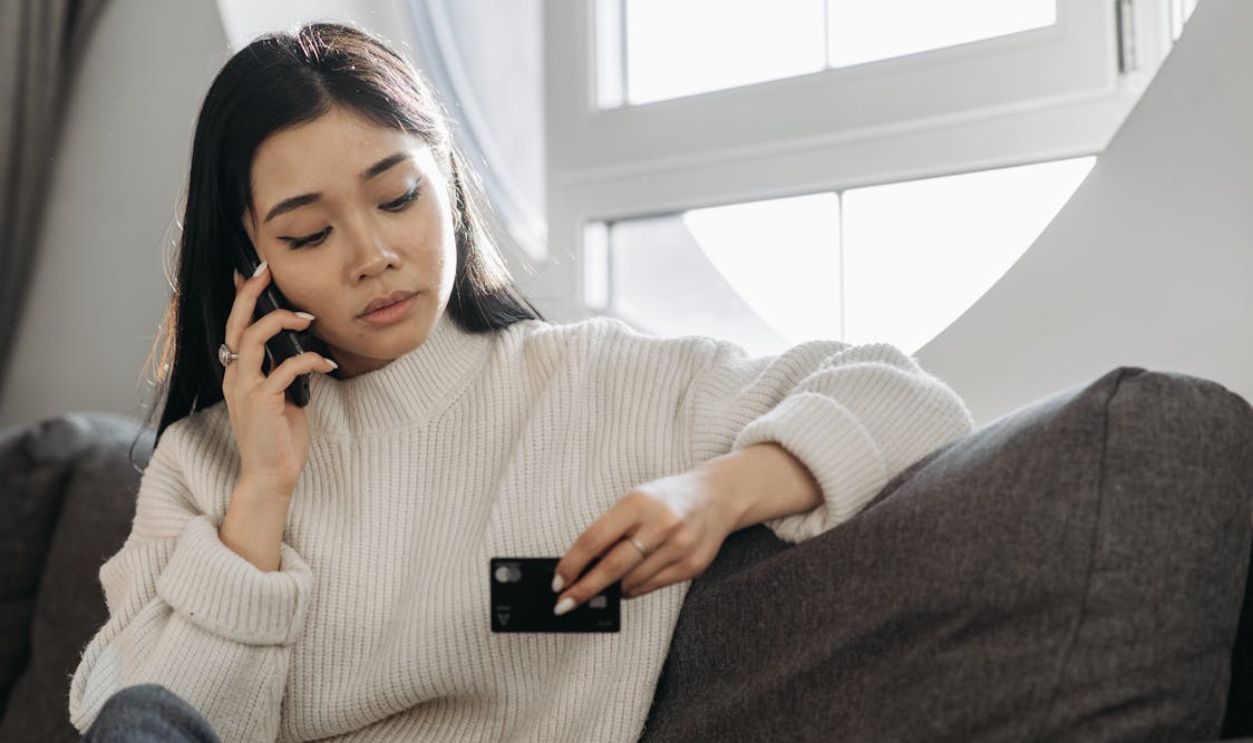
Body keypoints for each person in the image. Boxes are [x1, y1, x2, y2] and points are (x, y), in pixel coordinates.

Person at [67, 21, 975, 743]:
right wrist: (262, 496)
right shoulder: (204, 465)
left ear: (449, 183)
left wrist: (713, 493)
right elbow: (145, 716)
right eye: (309, 234)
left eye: (397, 197)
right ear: (250, 261)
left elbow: (903, 397)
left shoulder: (596, 384)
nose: (373, 254)